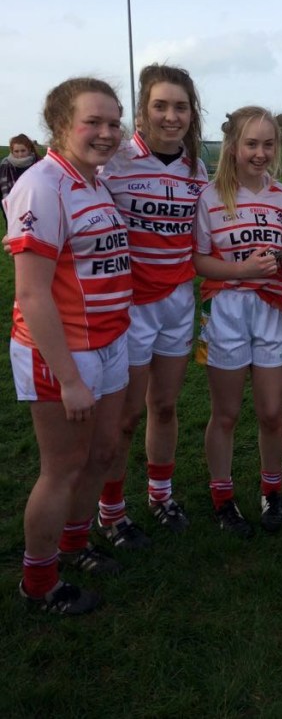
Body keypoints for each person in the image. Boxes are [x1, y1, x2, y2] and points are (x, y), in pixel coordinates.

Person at [4, 78, 131, 614]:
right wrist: (71, 379)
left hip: (109, 338)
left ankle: (75, 546)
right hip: (62, 351)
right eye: (93, 122)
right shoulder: (43, 184)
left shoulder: (94, 180)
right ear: (60, 125)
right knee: (63, 467)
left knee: (102, 452)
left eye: (113, 121)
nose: (106, 133)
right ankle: (38, 585)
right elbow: (32, 294)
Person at [96, 64, 208, 548]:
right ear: (143, 111)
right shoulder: (115, 162)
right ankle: (111, 510)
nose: (170, 116)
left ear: (191, 113)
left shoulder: (195, 167)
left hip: (179, 301)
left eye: (180, 106)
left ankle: (160, 494)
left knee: (164, 406)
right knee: (125, 416)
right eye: (160, 106)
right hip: (130, 307)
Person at [193, 107, 282, 536]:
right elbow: (198, 261)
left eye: (268, 144)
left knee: (272, 412)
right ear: (233, 147)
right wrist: (241, 272)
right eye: (251, 144)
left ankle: (272, 491)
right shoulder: (211, 195)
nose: (260, 153)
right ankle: (223, 497)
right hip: (225, 312)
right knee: (227, 413)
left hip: (271, 311)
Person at [0, 134, 40, 221]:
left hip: (35, 205)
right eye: (16, 151)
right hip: (12, 207)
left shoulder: (39, 163)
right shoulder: (5, 165)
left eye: (23, 151)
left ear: (29, 150)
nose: (20, 154)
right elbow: (3, 190)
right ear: (12, 151)